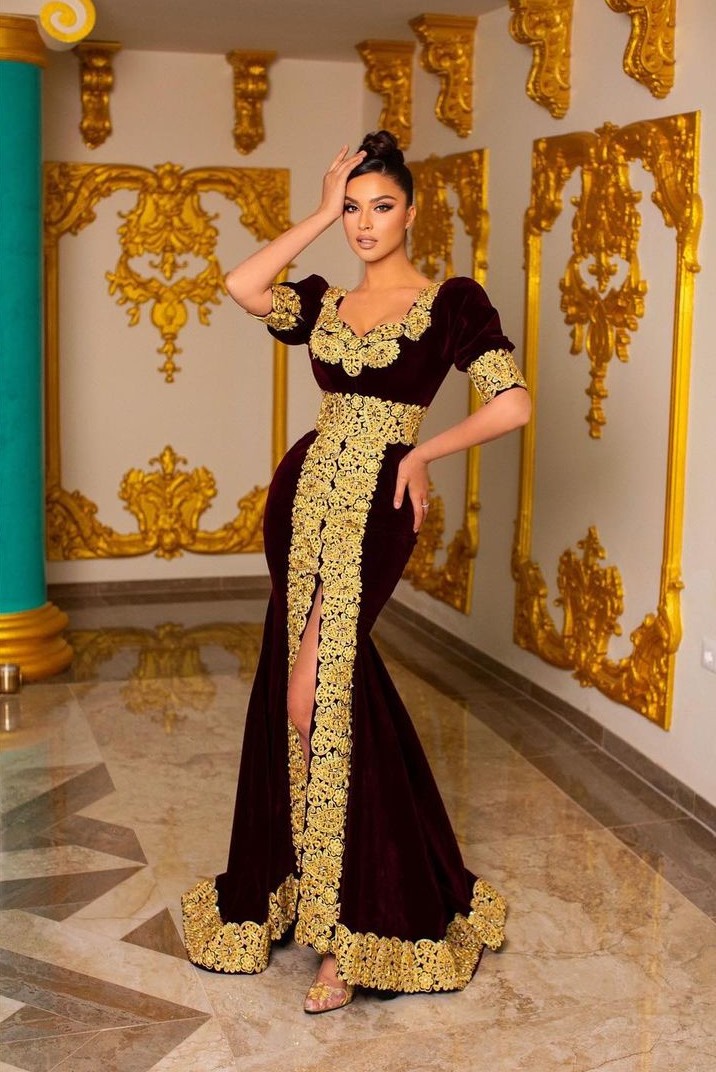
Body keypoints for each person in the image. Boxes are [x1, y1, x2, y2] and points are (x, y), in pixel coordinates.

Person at [181, 131, 530, 1014]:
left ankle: (355, 933)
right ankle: (339, 890)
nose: (365, 223)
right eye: (352, 208)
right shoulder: (324, 302)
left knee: (314, 693)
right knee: (321, 687)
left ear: (412, 211)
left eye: (381, 206)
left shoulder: (450, 303)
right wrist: (315, 208)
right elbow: (242, 285)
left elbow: (514, 403)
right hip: (302, 498)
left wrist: (424, 454)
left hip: (379, 506)